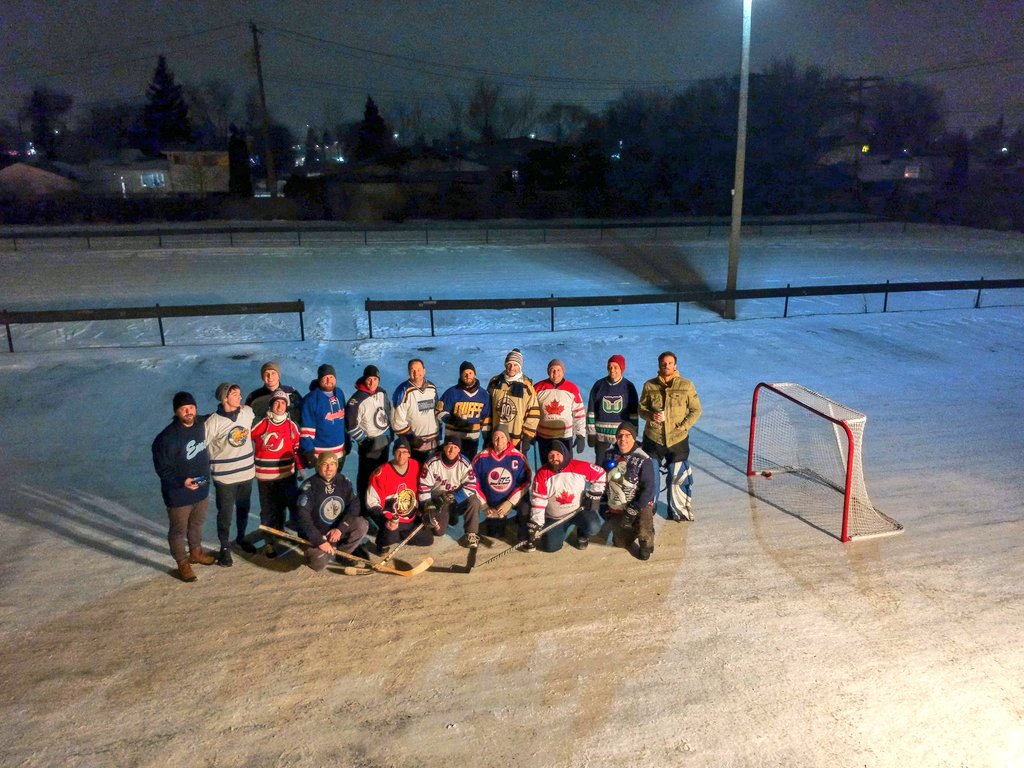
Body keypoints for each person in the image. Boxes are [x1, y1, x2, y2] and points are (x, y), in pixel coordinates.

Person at [151, 391, 216, 582]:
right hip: (179, 493)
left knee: (197, 523)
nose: (188, 412)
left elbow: (219, 415)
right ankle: (182, 562)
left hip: (201, 487)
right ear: (176, 412)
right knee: (178, 530)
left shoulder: (201, 424)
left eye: (191, 408)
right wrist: (182, 482)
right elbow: (162, 469)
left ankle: (196, 552)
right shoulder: (167, 438)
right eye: (183, 409)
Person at [638, 351, 702, 522]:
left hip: (677, 439)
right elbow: (641, 409)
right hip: (653, 438)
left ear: (675, 365)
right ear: (658, 365)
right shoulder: (649, 386)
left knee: (677, 475)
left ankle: (678, 510)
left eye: (670, 363)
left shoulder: (686, 385)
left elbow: (696, 410)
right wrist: (651, 415)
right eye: (663, 363)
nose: (666, 366)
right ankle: (647, 510)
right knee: (650, 475)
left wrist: (684, 426)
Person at [205, 382, 256, 565]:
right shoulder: (213, 422)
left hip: (246, 473)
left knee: (244, 509)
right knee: (225, 513)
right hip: (225, 476)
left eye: (240, 394)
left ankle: (241, 538)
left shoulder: (247, 413)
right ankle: (225, 546)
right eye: (235, 394)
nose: (240, 397)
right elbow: (204, 447)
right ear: (225, 398)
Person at [527, 440, 606, 553]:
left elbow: (601, 473)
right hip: (555, 518)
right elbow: (538, 502)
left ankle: (582, 535)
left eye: (558, 454)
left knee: (593, 527)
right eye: (551, 455)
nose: (555, 458)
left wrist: (595, 494)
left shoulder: (579, 467)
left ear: (565, 454)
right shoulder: (542, 474)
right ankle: (551, 534)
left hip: (578, 511)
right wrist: (537, 524)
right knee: (551, 547)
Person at [295, 452, 369, 571]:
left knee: (362, 525)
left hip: (336, 531)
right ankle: (323, 551)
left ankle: (342, 553)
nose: (329, 468)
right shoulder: (309, 487)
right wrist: (319, 540)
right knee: (318, 564)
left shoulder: (343, 481)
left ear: (336, 466)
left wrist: (341, 528)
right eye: (325, 464)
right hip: (318, 535)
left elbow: (354, 505)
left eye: (332, 464)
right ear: (318, 466)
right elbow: (302, 517)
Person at [250, 389, 303, 557]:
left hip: (286, 474)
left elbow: (296, 448)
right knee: (268, 510)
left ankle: (281, 534)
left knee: (285, 507)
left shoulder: (291, 425)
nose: (279, 406)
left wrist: (300, 468)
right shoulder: (262, 424)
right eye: (276, 402)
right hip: (265, 476)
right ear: (271, 404)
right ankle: (269, 542)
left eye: (283, 403)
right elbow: (246, 438)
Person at [601, 421, 658, 560]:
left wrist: (634, 508)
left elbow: (649, 489)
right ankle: (630, 531)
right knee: (620, 543)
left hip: (638, 504)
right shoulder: (608, 455)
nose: (623, 439)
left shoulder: (644, 459)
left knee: (645, 515)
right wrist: (601, 503)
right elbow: (600, 479)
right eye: (620, 436)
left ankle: (646, 538)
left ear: (633, 438)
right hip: (616, 503)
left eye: (627, 435)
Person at [364, 437, 433, 552]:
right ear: (393, 453)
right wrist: (384, 521)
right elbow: (372, 502)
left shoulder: (416, 467)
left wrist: (425, 508)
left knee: (427, 540)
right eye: (398, 452)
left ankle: (400, 535)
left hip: (409, 518)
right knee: (390, 537)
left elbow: (425, 487)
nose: (401, 456)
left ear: (409, 454)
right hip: (390, 519)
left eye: (405, 452)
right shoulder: (381, 473)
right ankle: (382, 540)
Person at [417, 436, 483, 548]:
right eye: (449, 446)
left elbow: (471, 485)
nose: (451, 450)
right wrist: (428, 505)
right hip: (438, 499)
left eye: (455, 447)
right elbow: (424, 487)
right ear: (444, 447)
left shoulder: (465, 464)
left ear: (459, 449)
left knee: (474, 501)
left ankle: (471, 533)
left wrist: (455, 496)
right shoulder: (432, 462)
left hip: (455, 497)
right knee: (439, 532)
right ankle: (448, 515)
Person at [472, 427, 532, 542]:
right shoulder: (481, 458)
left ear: (508, 440)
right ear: (492, 439)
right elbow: (473, 483)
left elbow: (526, 481)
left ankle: (523, 531)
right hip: (492, 503)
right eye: (496, 437)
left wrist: (510, 502)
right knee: (495, 534)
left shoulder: (518, 457)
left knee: (525, 508)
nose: (499, 441)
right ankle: (496, 522)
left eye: (502, 437)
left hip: (512, 499)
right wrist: (484, 505)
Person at [345, 364, 392, 508]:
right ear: (364, 379)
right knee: (367, 478)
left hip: (383, 442)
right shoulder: (356, 400)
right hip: (369, 446)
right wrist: (364, 441)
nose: (372, 382)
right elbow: (350, 424)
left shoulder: (382, 393)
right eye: (369, 379)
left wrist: (390, 434)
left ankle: (378, 505)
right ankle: (364, 509)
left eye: (375, 379)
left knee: (381, 475)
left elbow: (388, 412)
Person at [487, 348, 540, 457]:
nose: (512, 368)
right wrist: (487, 431)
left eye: (515, 365)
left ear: (520, 366)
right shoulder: (495, 382)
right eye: (509, 364)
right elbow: (487, 408)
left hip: (516, 439)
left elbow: (533, 413)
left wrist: (527, 436)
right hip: (497, 438)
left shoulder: (526, 386)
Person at [587, 354, 639, 463]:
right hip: (601, 437)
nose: (612, 370)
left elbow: (633, 413)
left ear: (622, 369)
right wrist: (591, 433)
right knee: (600, 467)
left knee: (622, 467)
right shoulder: (598, 385)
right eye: (609, 367)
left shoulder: (629, 386)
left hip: (622, 437)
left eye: (616, 367)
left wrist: (634, 433)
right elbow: (591, 411)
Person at [436, 360, 491, 460]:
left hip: (472, 440)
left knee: (468, 467)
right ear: (460, 375)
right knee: (450, 466)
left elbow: (486, 420)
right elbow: (438, 411)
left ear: (475, 374)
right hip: (452, 439)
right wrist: (450, 419)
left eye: (470, 373)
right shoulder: (452, 392)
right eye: (464, 373)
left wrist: (487, 440)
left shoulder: (484, 395)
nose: (467, 375)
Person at [535, 358, 587, 460]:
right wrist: (531, 433)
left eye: (558, 370)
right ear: (548, 372)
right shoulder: (538, 388)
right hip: (544, 437)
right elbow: (531, 412)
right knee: (547, 467)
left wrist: (581, 435)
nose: (555, 373)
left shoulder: (572, 389)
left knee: (565, 467)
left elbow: (579, 413)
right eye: (552, 370)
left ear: (563, 371)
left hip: (565, 437)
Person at [391, 358, 439, 466]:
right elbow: (397, 421)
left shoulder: (432, 388)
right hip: (415, 445)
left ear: (424, 370)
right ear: (408, 372)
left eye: (419, 370)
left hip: (433, 443)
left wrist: (438, 436)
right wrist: (411, 438)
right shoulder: (402, 391)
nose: (416, 373)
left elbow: (436, 411)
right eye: (412, 370)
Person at [300, 363, 348, 470]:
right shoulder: (310, 400)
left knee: (338, 484)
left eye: (331, 377)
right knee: (323, 485)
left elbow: (342, 420)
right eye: (325, 377)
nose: (328, 380)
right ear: (319, 379)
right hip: (321, 455)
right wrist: (309, 452)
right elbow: (306, 431)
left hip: (339, 452)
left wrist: (347, 439)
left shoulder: (339, 393)